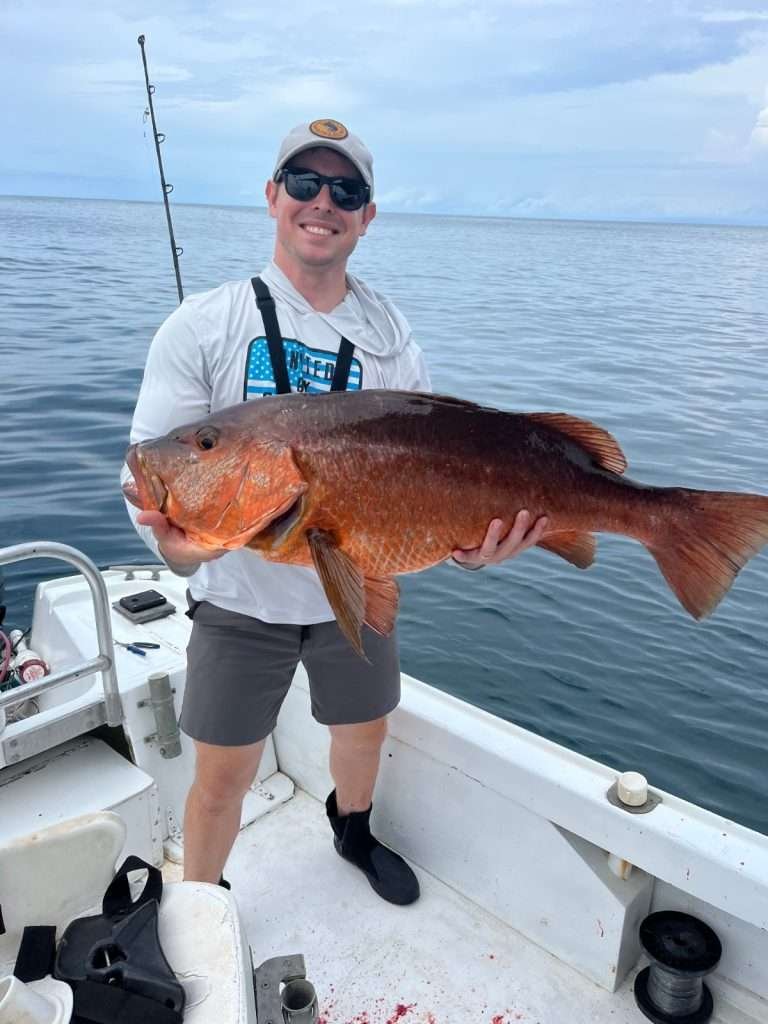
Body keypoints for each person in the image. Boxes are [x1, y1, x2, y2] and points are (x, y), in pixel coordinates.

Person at [125, 118, 548, 905]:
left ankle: (353, 830)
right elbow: (158, 481)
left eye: (346, 190)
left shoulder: (390, 335)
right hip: (239, 606)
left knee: (363, 733)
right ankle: (200, 909)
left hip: (356, 580)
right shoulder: (204, 325)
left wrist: (472, 547)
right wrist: (187, 548)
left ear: (367, 214)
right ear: (272, 197)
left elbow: (438, 468)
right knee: (221, 775)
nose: (324, 202)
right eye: (305, 183)